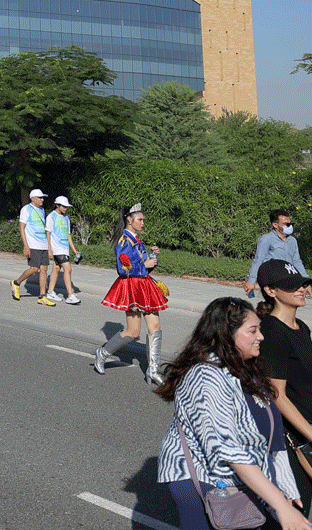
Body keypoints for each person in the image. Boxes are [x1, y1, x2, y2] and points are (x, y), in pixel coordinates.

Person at [155, 297, 312, 530]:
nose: (261, 336)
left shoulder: (245, 368)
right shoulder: (205, 377)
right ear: (227, 336)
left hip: (241, 478)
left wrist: (286, 487)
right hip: (204, 480)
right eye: (253, 331)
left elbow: (273, 436)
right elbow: (229, 449)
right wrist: (280, 504)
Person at [93, 203, 169, 384]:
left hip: (144, 285)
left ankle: (153, 370)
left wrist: (151, 257)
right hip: (133, 289)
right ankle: (102, 353)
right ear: (129, 219)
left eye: (143, 220)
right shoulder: (123, 241)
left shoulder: (136, 240)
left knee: (155, 327)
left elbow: (141, 264)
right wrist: (145, 265)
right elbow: (122, 269)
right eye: (140, 220)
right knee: (133, 332)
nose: (143, 223)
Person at [256, 260, 312, 504]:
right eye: (291, 286)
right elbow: (277, 394)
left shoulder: (302, 328)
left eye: (302, 283)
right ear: (270, 291)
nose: (301, 289)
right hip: (293, 436)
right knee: (295, 509)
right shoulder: (271, 331)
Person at [247, 210, 309, 296]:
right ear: (275, 225)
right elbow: (258, 260)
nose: (290, 226)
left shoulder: (292, 241)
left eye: (291, 224)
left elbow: (297, 261)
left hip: (289, 278)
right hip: (273, 279)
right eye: (286, 224)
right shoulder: (266, 239)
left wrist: (306, 281)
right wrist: (251, 281)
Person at [11, 188, 50, 304]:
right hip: (33, 244)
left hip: (43, 244)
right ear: (33, 199)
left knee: (44, 269)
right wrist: (26, 246)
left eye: (43, 198)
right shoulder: (26, 209)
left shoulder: (42, 210)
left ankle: (42, 296)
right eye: (40, 198)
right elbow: (21, 227)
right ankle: (16, 283)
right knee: (34, 269)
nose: (42, 200)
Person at [43, 196, 80, 305]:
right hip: (56, 248)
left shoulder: (66, 218)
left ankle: (50, 291)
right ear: (57, 205)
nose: (65, 208)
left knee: (57, 268)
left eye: (66, 206)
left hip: (65, 248)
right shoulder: (51, 216)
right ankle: (70, 295)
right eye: (63, 206)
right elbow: (48, 233)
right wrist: (49, 249)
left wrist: (74, 250)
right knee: (68, 269)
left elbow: (68, 234)